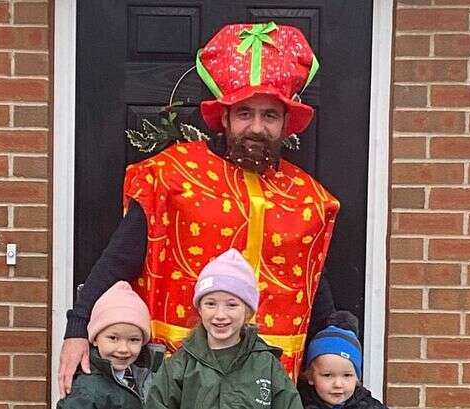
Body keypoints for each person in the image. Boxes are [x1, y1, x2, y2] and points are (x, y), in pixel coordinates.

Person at [59, 21, 341, 397]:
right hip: (178, 376)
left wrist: (336, 347)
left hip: (262, 384)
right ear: (224, 117)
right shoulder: (172, 175)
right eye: (245, 113)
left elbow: (309, 281)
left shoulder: (309, 198)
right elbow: (118, 259)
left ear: (287, 123)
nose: (256, 127)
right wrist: (78, 328)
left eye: (270, 115)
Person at [147, 248, 303, 409]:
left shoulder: (266, 364)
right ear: (199, 309)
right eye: (211, 304)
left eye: (232, 305)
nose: (220, 314)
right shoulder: (180, 364)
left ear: (248, 312)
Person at [56, 281, 163, 408]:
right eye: (113, 338)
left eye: (133, 340)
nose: (123, 349)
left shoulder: (146, 374)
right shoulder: (86, 390)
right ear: (95, 339)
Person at [299, 311, 388, 409]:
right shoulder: (297, 404)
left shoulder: (370, 406)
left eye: (347, 375)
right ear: (310, 377)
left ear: (357, 378)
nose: (338, 384)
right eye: (327, 375)